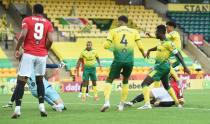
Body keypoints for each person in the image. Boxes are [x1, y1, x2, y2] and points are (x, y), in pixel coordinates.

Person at [12, 4, 54, 118]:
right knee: (40, 81)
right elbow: (51, 39)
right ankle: (42, 107)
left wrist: (17, 49)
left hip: (29, 53)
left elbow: (23, 35)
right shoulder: (48, 23)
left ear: (33, 10)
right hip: (42, 55)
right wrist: (46, 49)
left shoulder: (27, 20)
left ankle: (17, 109)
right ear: (42, 12)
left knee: (21, 81)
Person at [100, 15, 146, 112]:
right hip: (129, 61)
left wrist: (104, 44)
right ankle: (121, 105)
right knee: (125, 80)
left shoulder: (113, 31)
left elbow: (106, 45)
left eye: (118, 21)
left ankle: (107, 102)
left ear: (120, 21)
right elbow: (140, 46)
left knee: (109, 79)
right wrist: (144, 54)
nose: (117, 23)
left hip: (118, 60)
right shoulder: (134, 32)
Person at [139, 25, 190, 109]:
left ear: (161, 32)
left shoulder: (169, 43)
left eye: (156, 31)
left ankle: (147, 104)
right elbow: (157, 47)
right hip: (166, 68)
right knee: (167, 86)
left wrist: (185, 67)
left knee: (144, 83)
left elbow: (179, 55)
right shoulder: (161, 42)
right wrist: (149, 50)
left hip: (161, 67)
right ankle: (178, 104)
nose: (155, 33)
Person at [2, 63, 66, 112]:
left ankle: (54, 106)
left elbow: (17, 89)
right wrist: (59, 65)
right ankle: (59, 106)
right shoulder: (34, 65)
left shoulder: (21, 73)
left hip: (34, 92)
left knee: (46, 98)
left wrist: (11, 102)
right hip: (44, 87)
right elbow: (48, 65)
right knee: (61, 104)